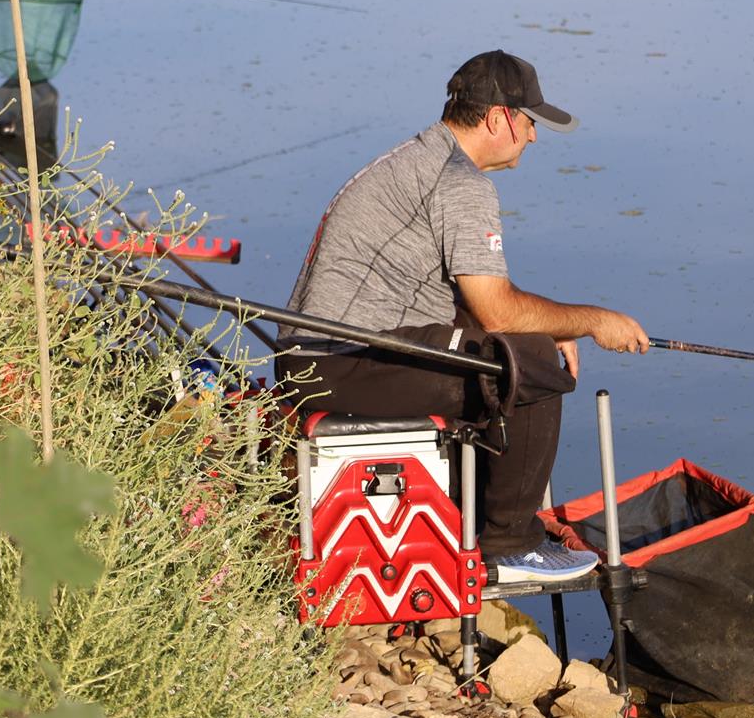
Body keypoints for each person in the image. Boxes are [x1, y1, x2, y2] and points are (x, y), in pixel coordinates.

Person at [275, 51, 651, 584]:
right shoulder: (460, 182)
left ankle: (467, 519)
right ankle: (510, 545)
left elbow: (471, 303)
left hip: (323, 357)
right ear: (499, 118)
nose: (534, 136)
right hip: (343, 361)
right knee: (528, 364)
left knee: (520, 345)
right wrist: (590, 321)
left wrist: (553, 324)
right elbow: (497, 310)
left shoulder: (419, 159)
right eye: (529, 121)